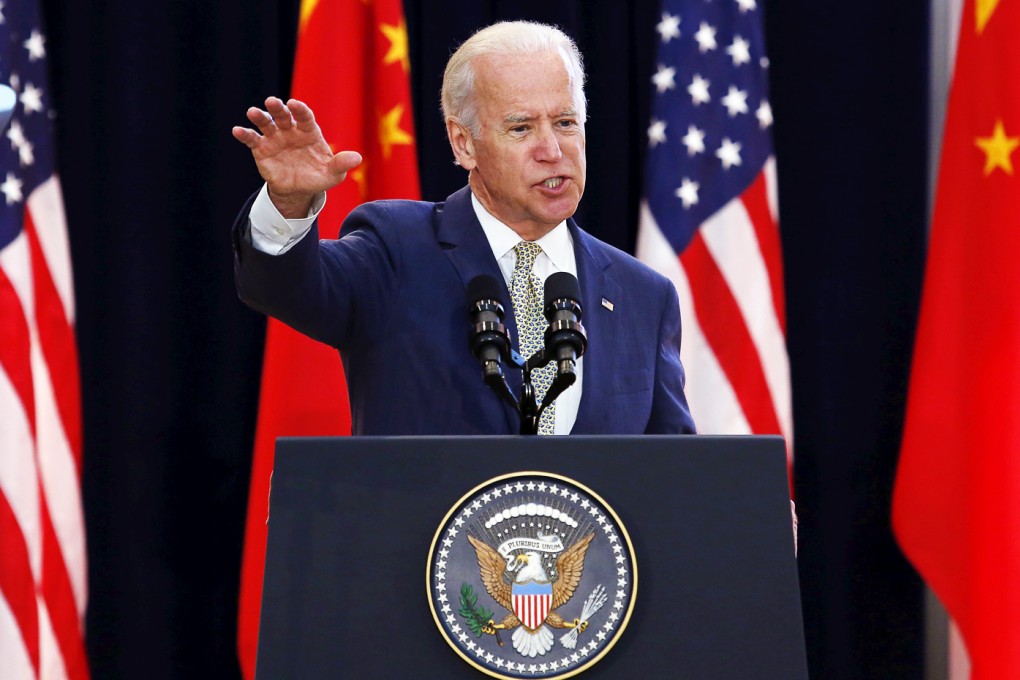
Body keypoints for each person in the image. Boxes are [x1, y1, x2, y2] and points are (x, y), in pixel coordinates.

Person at [230, 20, 695, 436]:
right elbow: (285, 288)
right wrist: (288, 202)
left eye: (565, 122)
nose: (552, 150)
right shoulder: (396, 248)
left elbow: (674, 473)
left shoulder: (644, 295)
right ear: (463, 143)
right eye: (521, 128)